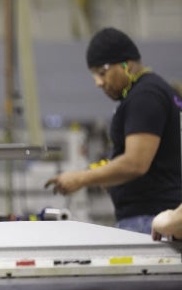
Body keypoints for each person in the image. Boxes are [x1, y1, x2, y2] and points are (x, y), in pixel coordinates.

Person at [45, 27, 181, 234]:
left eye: (102, 72)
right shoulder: (153, 92)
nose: (99, 83)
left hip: (150, 220)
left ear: (126, 64)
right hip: (152, 216)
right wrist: (104, 173)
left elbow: (136, 163)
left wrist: (81, 178)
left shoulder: (145, 96)